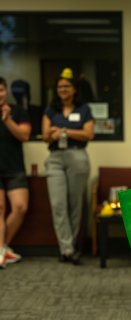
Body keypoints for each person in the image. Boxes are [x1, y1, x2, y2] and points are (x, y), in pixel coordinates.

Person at [42, 68, 95, 265]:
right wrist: (52, 134)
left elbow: (88, 134)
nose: (63, 89)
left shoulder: (84, 109)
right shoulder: (51, 110)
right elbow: (45, 135)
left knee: (75, 204)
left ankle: (71, 246)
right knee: (58, 205)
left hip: (77, 156)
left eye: (66, 86)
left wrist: (64, 130)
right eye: (59, 87)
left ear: (74, 89)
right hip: (55, 158)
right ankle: (66, 248)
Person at [0, 77, 31, 269]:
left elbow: (24, 136)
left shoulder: (18, 111)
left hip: (14, 168)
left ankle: (2, 248)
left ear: (6, 92)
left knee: (20, 207)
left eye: (1, 90)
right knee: (0, 208)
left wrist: (7, 119)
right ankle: (2, 251)